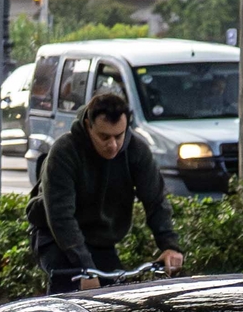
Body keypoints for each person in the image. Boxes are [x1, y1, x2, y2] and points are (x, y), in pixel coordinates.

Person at [28, 91, 186, 292]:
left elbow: (155, 201)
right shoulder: (64, 151)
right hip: (54, 236)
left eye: (118, 136)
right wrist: (86, 268)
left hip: (100, 240)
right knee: (71, 287)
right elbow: (60, 217)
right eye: (104, 137)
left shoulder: (136, 151)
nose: (112, 145)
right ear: (88, 126)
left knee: (113, 295)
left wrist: (170, 246)